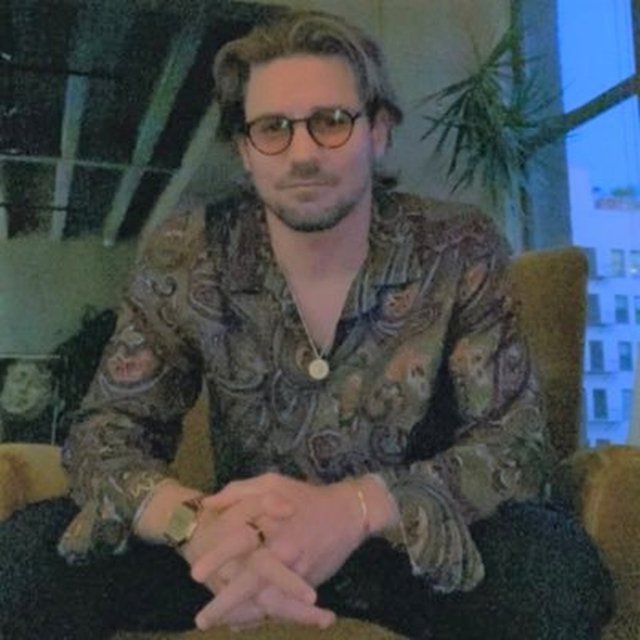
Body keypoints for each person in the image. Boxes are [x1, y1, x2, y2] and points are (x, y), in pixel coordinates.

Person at [0, 9, 613, 640]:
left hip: (401, 550)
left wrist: (354, 508)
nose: (302, 154)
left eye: (332, 121)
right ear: (245, 150)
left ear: (378, 131)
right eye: (273, 128)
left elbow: (514, 445)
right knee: (23, 563)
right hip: (233, 548)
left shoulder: (456, 247)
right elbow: (106, 432)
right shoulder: (190, 253)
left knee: (554, 573)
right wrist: (194, 526)